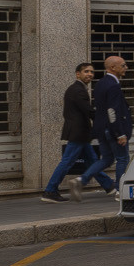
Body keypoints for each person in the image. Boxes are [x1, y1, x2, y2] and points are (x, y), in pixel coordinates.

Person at [40, 63, 99, 202]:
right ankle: (50, 190)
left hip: (81, 133)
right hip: (78, 133)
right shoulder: (78, 90)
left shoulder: (77, 89)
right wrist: (102, 120)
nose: (90, 74)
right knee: (67, 162)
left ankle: (109, 186)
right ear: (78, 74)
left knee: (93, 162)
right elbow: (88, 110)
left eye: (91, 72)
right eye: (86, 71)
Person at [87, 55, 132, 195]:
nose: (126, 68)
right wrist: (120, 133)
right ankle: (119, 190)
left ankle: (81, 180)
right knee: (122, 159)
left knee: (106, 159)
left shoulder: (100, 83)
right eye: (123, 65)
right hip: (113, 130)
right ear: (113, 67)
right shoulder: (113, 85)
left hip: (102, 129)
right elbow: (112, 111)